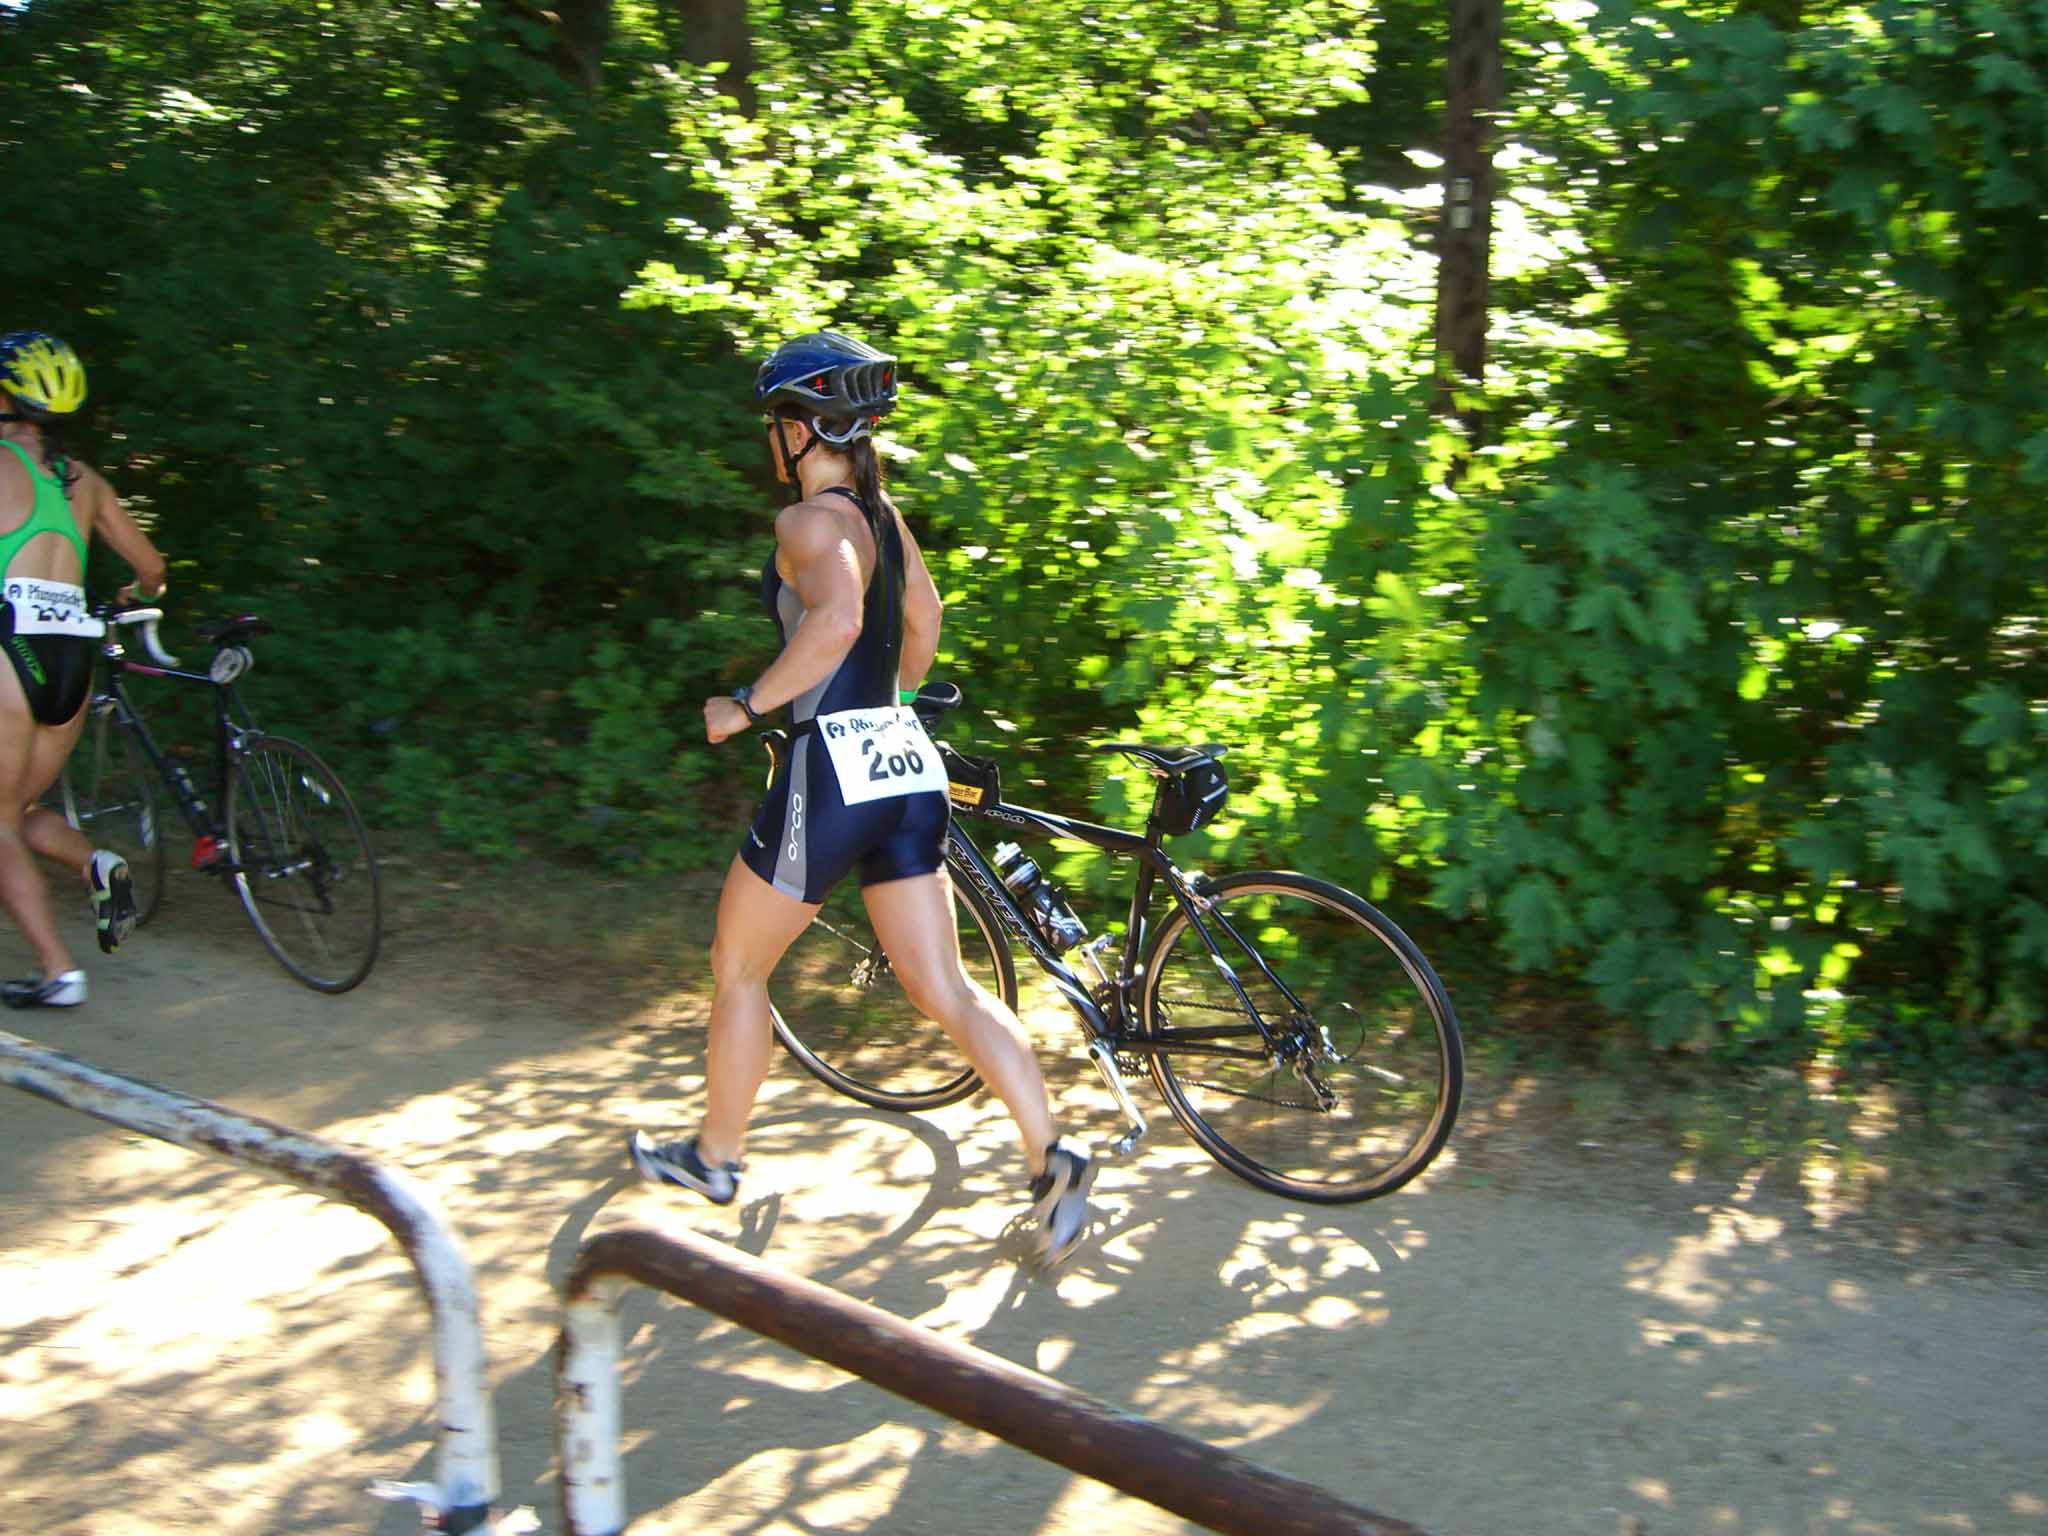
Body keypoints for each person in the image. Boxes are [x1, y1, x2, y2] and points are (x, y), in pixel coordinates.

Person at [631, 330, 1096, 1266]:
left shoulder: (808, 525)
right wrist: (892, 710)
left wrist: (746, 707)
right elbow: (922, 619)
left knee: (738, 966)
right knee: (946, 987)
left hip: (833, 776)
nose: (770, 437)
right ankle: (1053, 1155)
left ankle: (715, 1158)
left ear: (803, 429)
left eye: (776, 421)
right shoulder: (882, 517)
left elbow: (840, 622)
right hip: (905, 769)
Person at [0, 331, 169, 1008]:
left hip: (9, 651)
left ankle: (58, 972)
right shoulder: (85, 481)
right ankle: (97, 863)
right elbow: (152, 568)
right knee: (16, 812)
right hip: (72, 658)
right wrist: (135, 595)